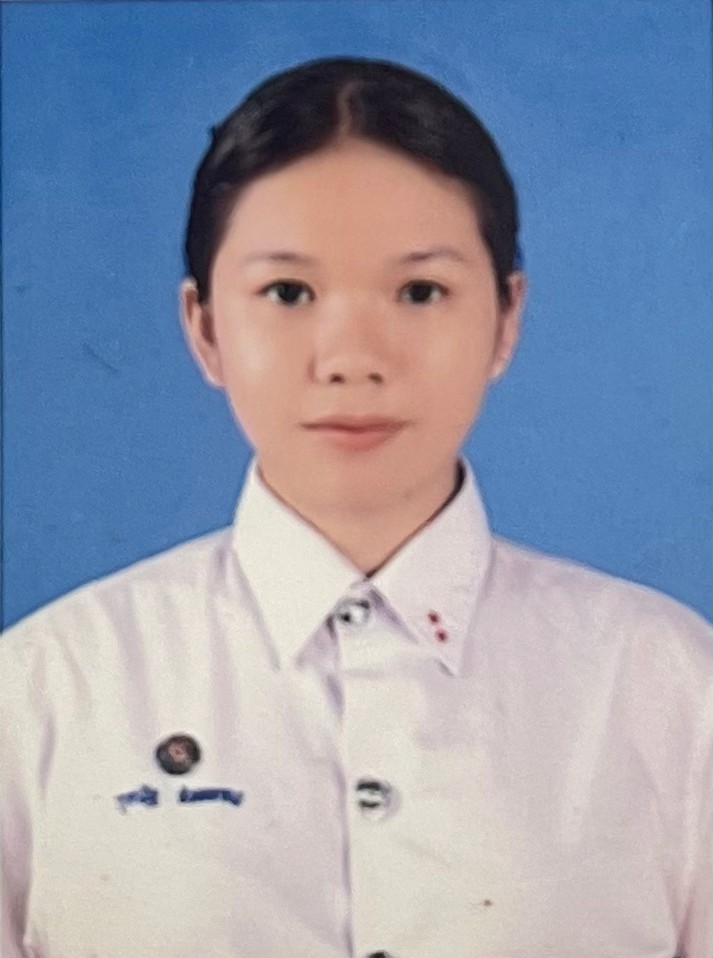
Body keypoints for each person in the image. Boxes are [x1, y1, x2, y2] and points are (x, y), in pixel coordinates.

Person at [0, 55, 710, 958]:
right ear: (205, 328)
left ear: (504, 319)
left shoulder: (667, 687)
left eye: (420, 292)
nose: (351, 359)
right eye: (287, 293)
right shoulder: (45, 692)